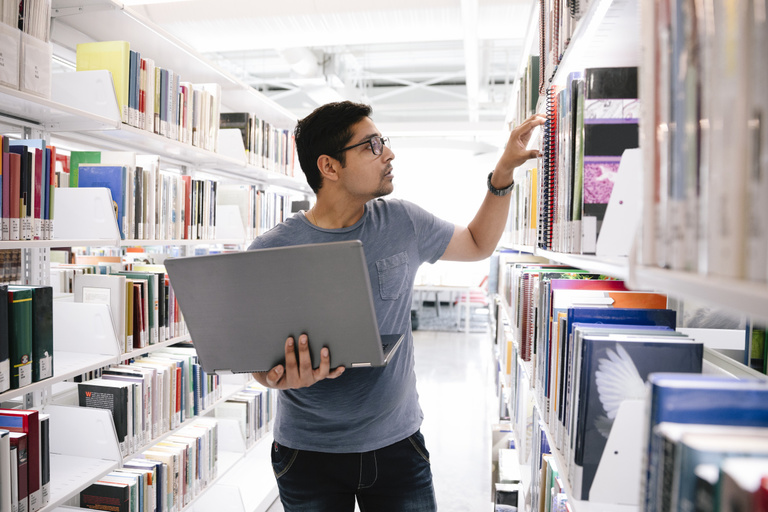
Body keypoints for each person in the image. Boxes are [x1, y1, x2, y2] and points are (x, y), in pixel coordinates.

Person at [249, 100, 544, 511]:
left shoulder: (403, 222)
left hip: (397, 445)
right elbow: (257, 365)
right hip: (306, 453)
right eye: (370, 145)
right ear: (329, 167)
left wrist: (503, 173)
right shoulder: (269, 250)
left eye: (382, 141)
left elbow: (479, 243)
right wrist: (278, 379)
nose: (388, 154)